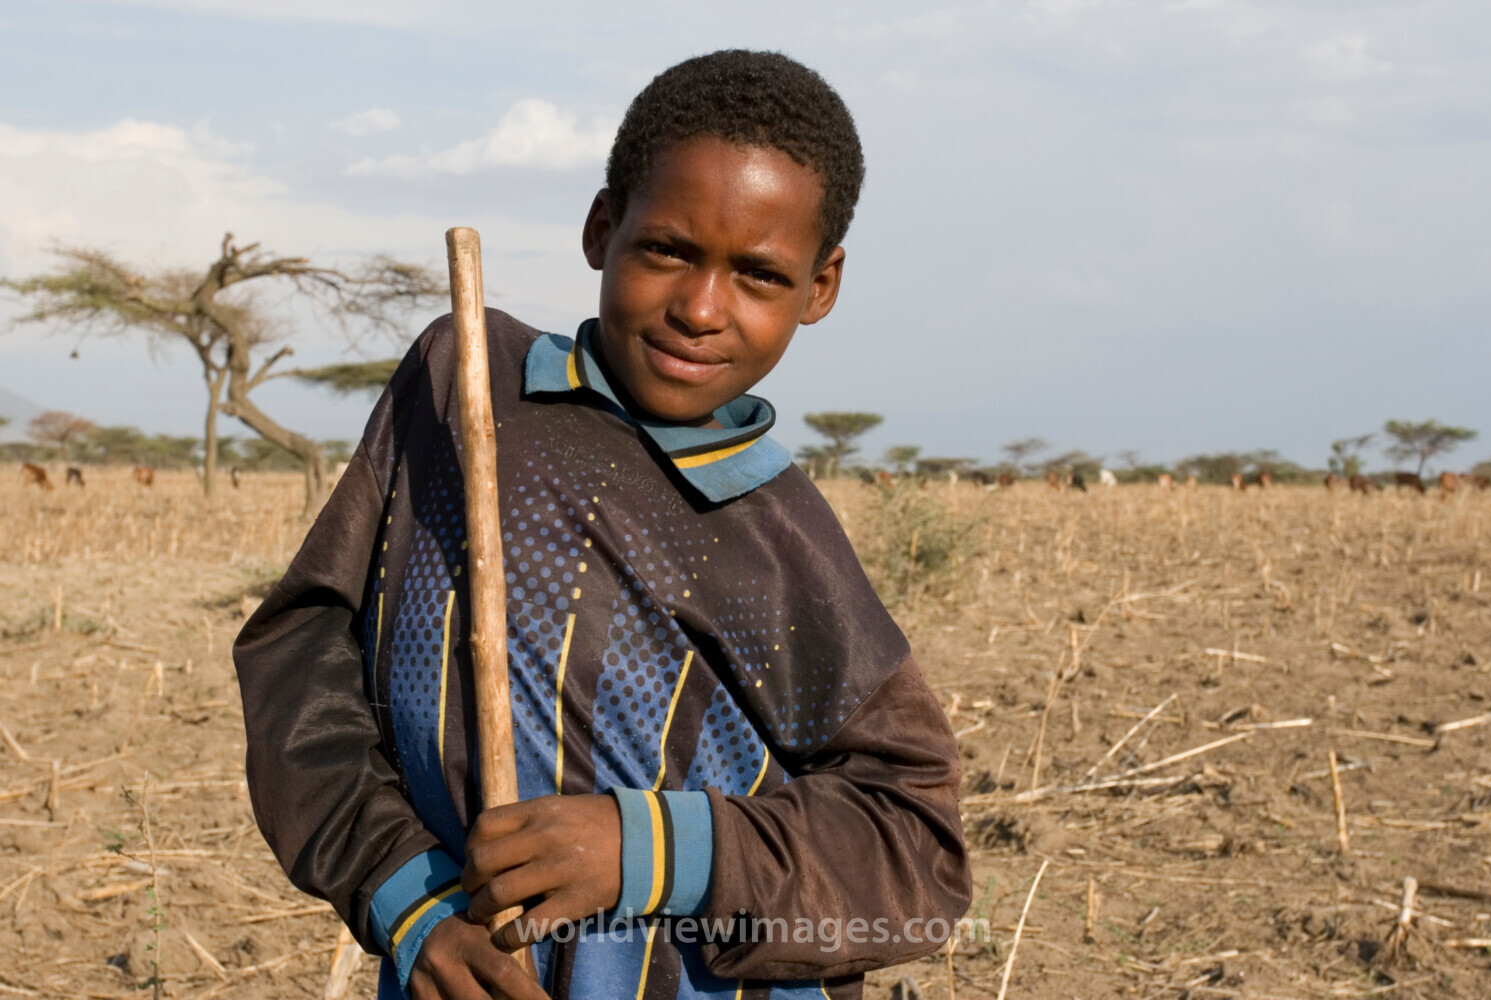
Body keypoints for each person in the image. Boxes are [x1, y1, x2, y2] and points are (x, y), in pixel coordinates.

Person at [234, 49, 969, 1000]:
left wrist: (652, 848)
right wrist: (406, 899)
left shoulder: (779, 535)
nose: (701, 308)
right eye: (667, 249)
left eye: (758, 275)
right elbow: (304, 654)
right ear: (602, 226)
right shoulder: (466, 386)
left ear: (821, 288)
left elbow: (915, 847)